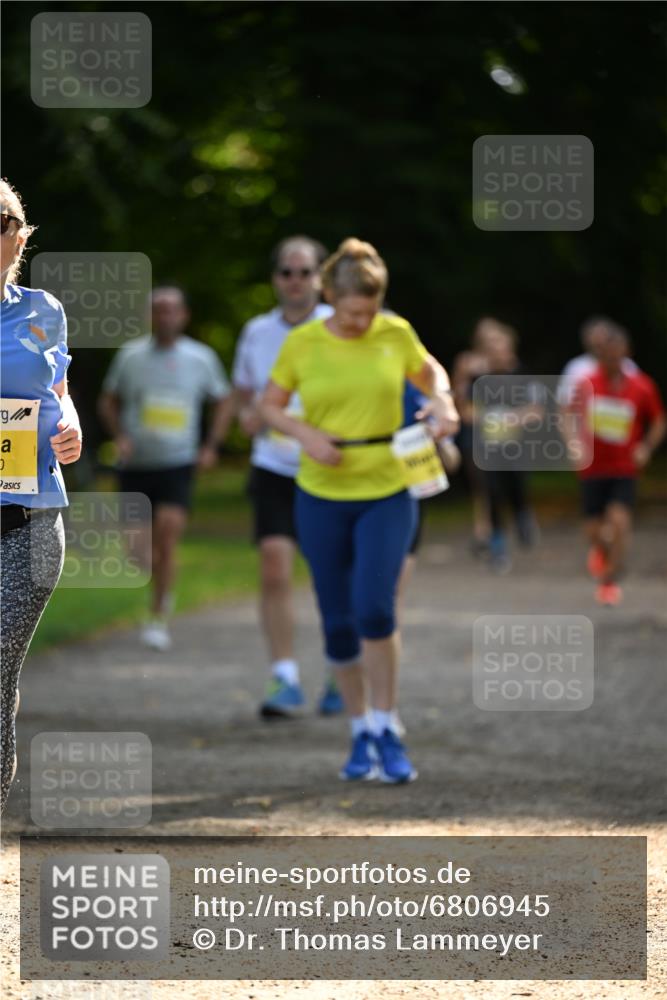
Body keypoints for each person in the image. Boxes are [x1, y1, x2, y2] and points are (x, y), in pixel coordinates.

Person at [260, 238, 459, 783]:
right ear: (329, 296)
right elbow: (269, 407)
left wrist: (442, 401)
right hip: (322, 492)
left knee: (376, 609)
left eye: (370, 312)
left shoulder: (393, 332)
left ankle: (387, 725)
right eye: (352, 313)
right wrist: (307, 434)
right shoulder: (302, 344)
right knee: (339, 620)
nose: (361, 322)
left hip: (387, 487)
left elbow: (430, 373)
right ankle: (358, 733)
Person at [231, 237, 342, 718]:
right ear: (275, 279)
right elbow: (243, 393)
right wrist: (246, 417)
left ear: (321, 278)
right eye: (286, 272)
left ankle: (343, 666)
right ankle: (284, 676)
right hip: (274, 467)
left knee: (333, 577)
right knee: (275, 569)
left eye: (304, 272)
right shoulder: (257, 331)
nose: (294, 281)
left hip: (330, 468)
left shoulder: (339, 327)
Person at [1, 179, 82, 812]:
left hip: (29, 514)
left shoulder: (41, 309)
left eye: (2, 223)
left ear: (20, 236)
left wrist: (70, 422)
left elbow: (57, 387)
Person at [98, 286, 234, 650]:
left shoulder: (200, 358)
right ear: (149, 316)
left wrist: (211, 446)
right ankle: (158, 586)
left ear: (184, 316)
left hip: (178, 462)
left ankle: (158, 615)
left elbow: (223, 401)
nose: (165, 316)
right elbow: (108, 401)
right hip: (136, 464)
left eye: (172, 310)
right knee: (139, 553)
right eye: (158, 310)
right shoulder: (130, 356)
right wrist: (120, 436)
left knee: (168, 537)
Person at [569, 324, 665, 605]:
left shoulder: (642, 386)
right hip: (592, 468)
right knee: (593, 530)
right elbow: (566, 414)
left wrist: (645, 448)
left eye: (616, 355)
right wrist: (573, 442)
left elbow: (659, 420)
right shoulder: (585, 384)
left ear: (626, 353)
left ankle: (610, 578)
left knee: (620, 521)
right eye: (605, 356)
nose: (611, 361)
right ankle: (602, 552)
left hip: (624, 468)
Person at [475, 324, 541, 573]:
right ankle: (498, 549)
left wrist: (515, 418)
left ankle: (524, 516)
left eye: (500, 348)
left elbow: (536, 410)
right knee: (492, 495)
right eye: (491, 349)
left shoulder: (524, 376)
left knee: (517, 489)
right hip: (489, 448)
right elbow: (466, 408)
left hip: (517, 447)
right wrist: (483, 417)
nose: (496, 354)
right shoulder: (479, 378)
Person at [451, 318, 501, 554]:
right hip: (474, 430)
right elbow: (458, 395)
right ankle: (483, 530)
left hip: (499, 431)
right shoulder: (467, 362)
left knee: (496, 483)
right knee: (481, 484)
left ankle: (495, 528)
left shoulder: (503, 364)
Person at [557, 315, 638, 406]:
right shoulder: (577, 367)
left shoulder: (629, 366)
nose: (599, 340)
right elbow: (565, 403)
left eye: (604, 337)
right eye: (595, 337)